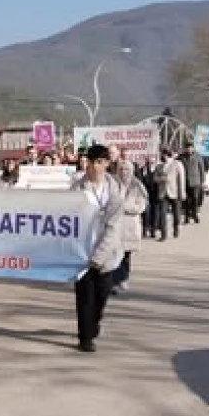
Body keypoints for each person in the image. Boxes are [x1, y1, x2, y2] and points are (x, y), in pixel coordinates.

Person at [70, 144, 124, 352]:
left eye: (99, 163)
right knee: (84, 297)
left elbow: (114, 227)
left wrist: (98, 256)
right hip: (81, 252)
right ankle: (85, 338)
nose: (94, 167)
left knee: (101, 295)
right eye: (90, 163)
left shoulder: (115, 192)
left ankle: (94, 323)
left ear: (106, 164)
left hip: (106, 254)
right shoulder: (77, 188)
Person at [112, 159, 148, 293]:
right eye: (121, 169)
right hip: (116, 225)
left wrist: (126, 207)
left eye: (126, 169)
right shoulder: (113, 184)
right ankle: (115, 282)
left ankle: (124, 278)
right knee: (116, 254)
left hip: (130, 225)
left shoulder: (137, 186)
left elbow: (141, 205)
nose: (123, 172)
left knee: (126, 255)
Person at [153, 149, 185, 240]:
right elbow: (155, 178)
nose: (164, 157)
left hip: (174, 192)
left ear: (169, 155)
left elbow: (181, 179)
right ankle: (164, 235)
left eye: (166, 155)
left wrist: (182, 192)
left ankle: (176, 228)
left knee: (176, 214)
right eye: (163, 156)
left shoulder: (177, 164)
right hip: (163, 193)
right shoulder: (159, 166)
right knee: (162, 214)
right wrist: (161, 179)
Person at [181, 142, 204, 224]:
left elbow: (201, 169)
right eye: (187, 148)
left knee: (195, 199)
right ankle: (186, 217)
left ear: (193, 148)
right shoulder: (181, 157)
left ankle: (195, 215)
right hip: (185, 182)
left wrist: (202, 181)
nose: (189, 149)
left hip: (195, 182)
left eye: (190, 148)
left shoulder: (198, 156)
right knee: (186, 201)